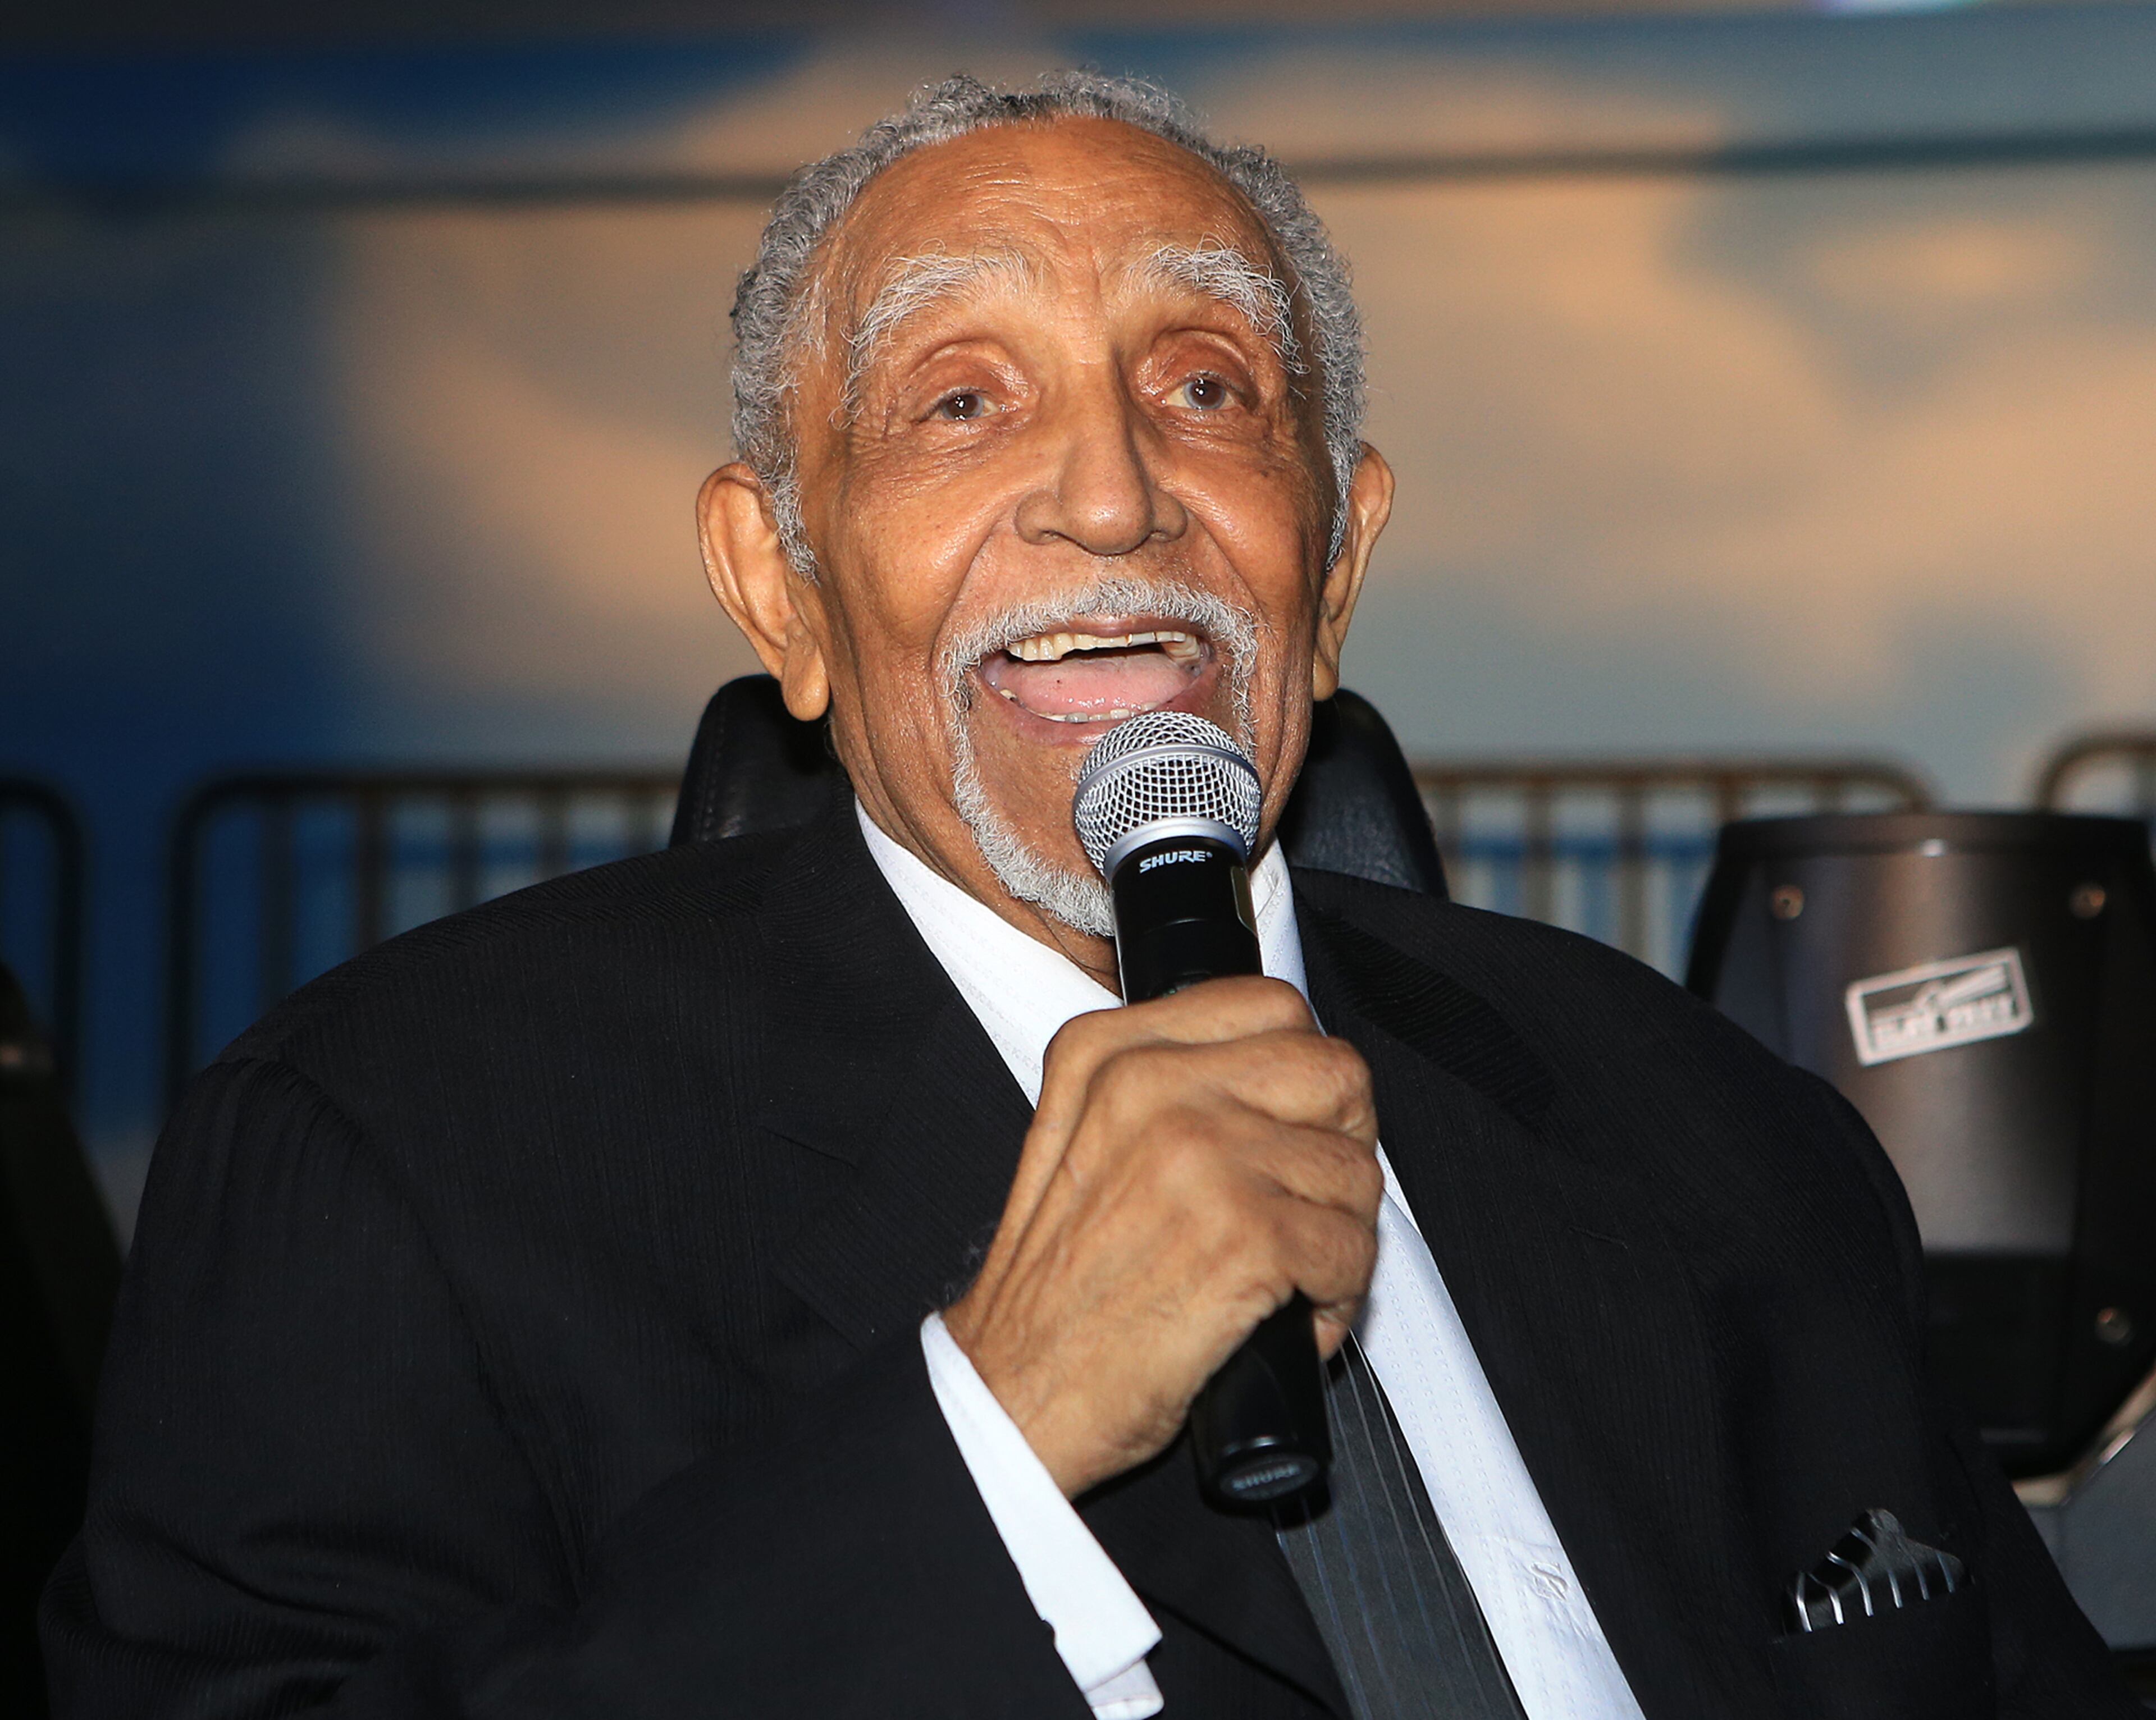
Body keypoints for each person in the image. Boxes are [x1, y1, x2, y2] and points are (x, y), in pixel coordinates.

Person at [45, 72, 2134, 1720]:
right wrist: (994, 1432)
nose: (1115, 494)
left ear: (1335, 562)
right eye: (960, 402)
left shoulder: (1713, 1126)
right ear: (780, 589)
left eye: (1205, 388)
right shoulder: (394, 1146)